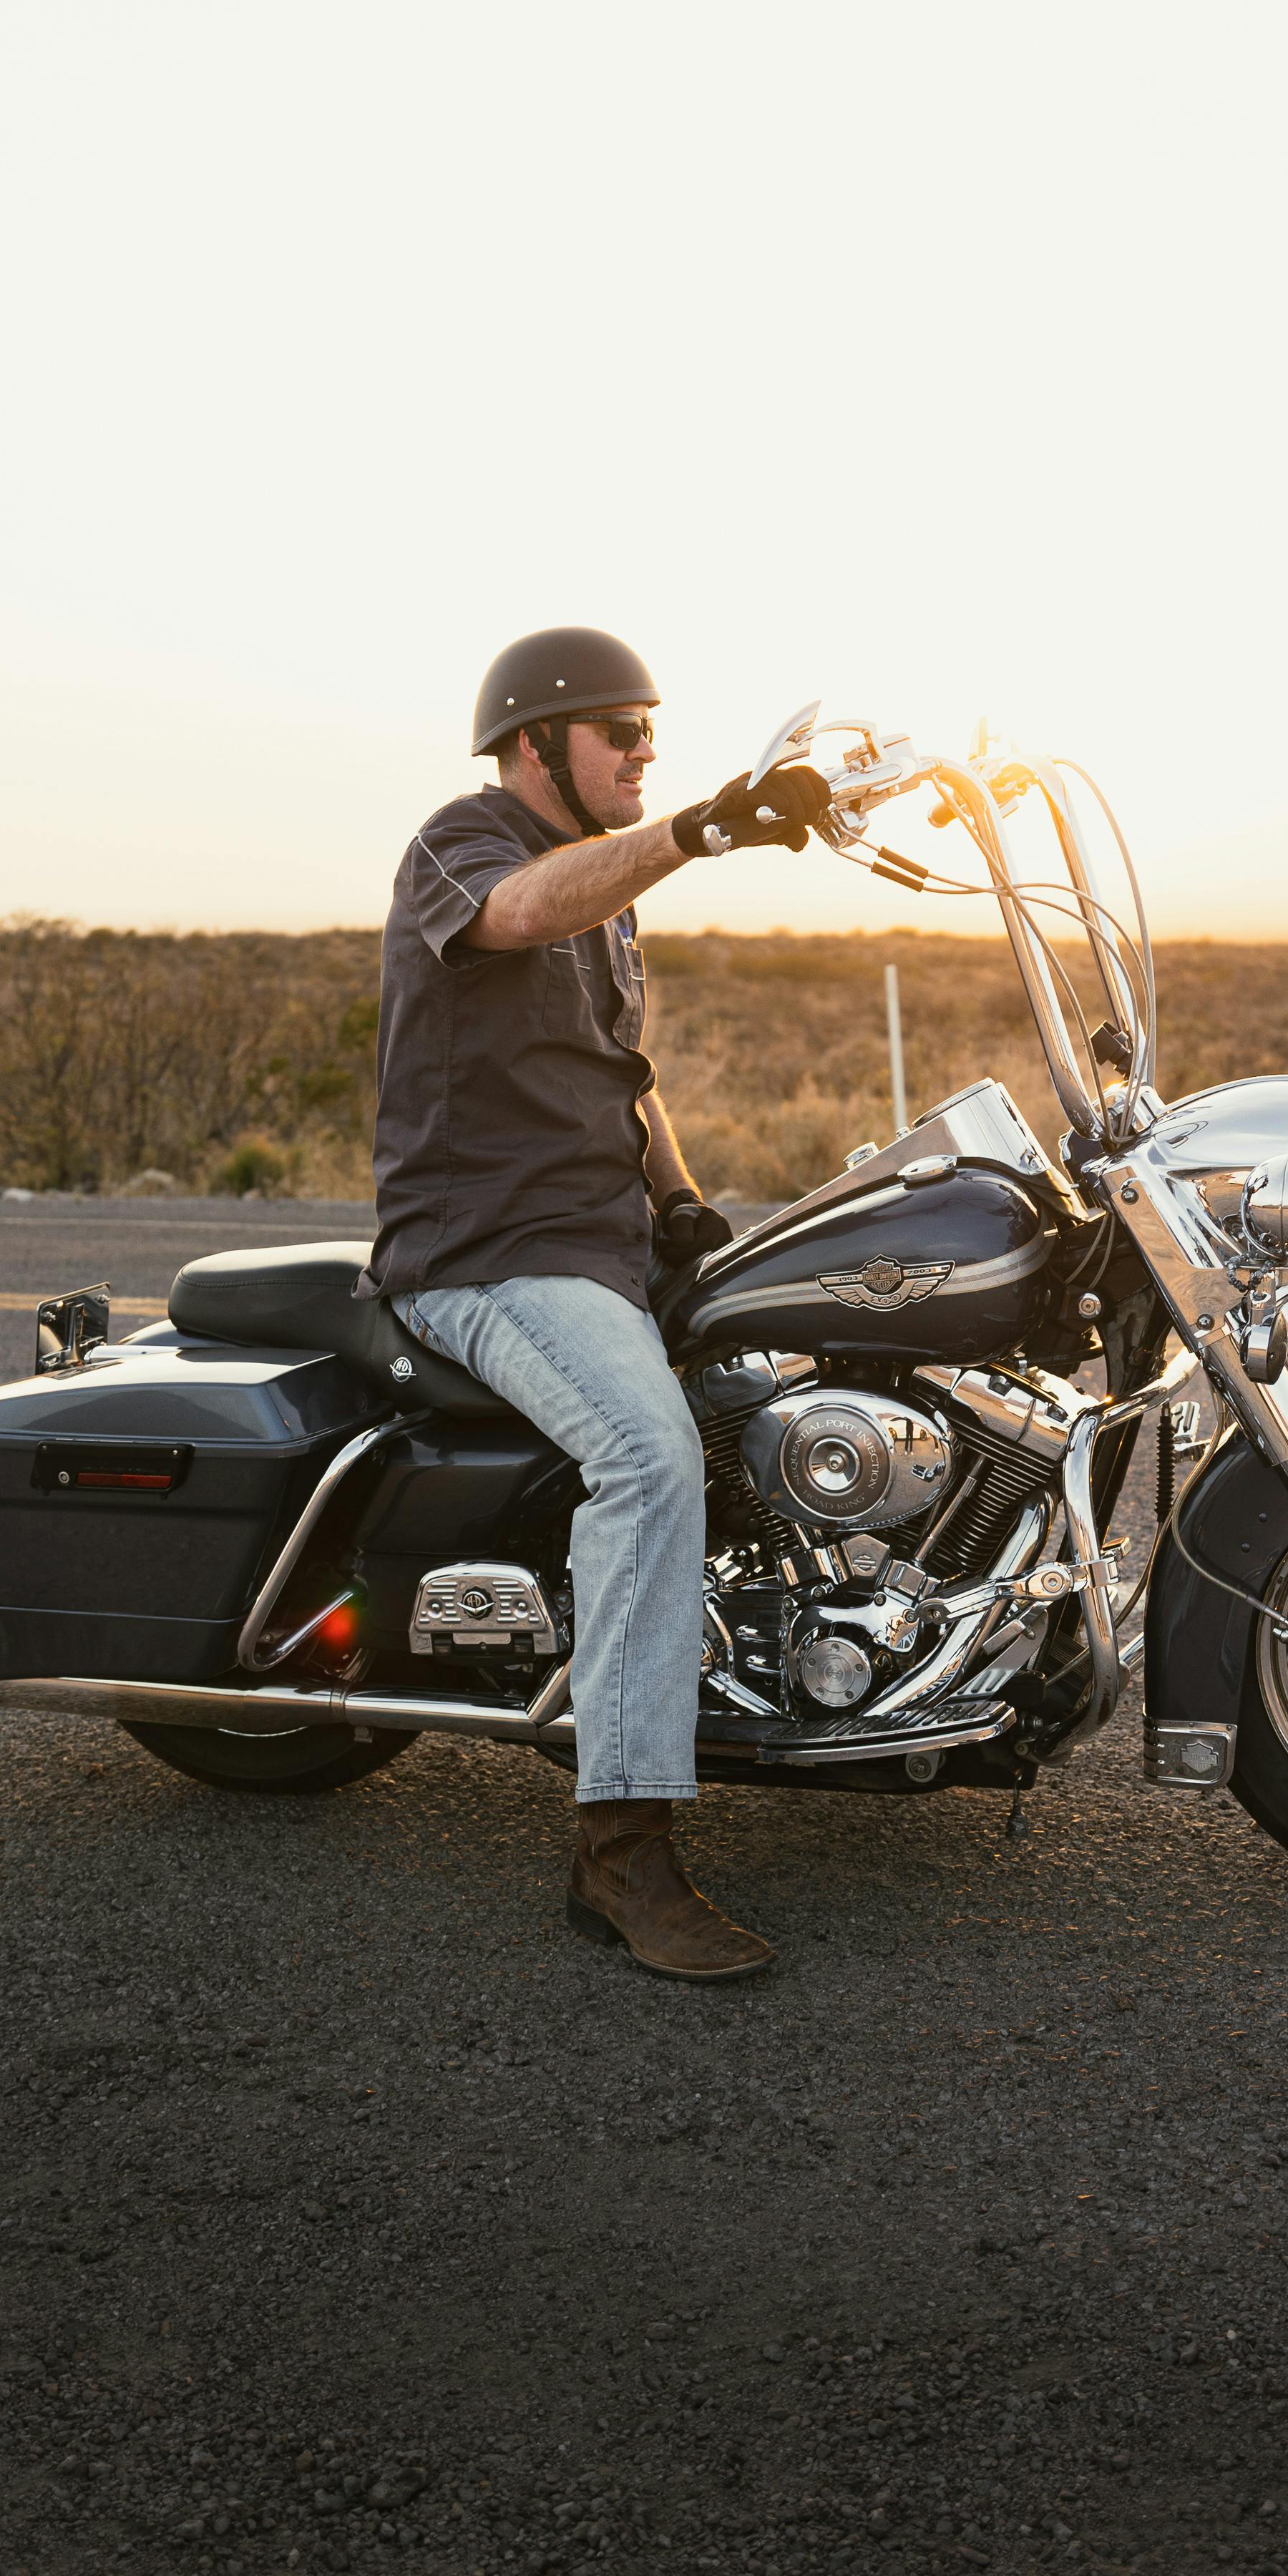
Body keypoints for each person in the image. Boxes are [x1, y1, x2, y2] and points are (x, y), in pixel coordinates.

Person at [362, 627, 829, 1981]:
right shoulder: (462, 844)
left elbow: (623, 1071)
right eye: (617, 729)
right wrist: (698, 829)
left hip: (603, 1244)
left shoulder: (602, 891)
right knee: (646, 1455)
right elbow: (518, 913)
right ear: (533, 745)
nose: (643, 749)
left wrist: (683, 1206)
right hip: (486, 1253)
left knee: (797, 1387)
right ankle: (620, 1847)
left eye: (650, 730)